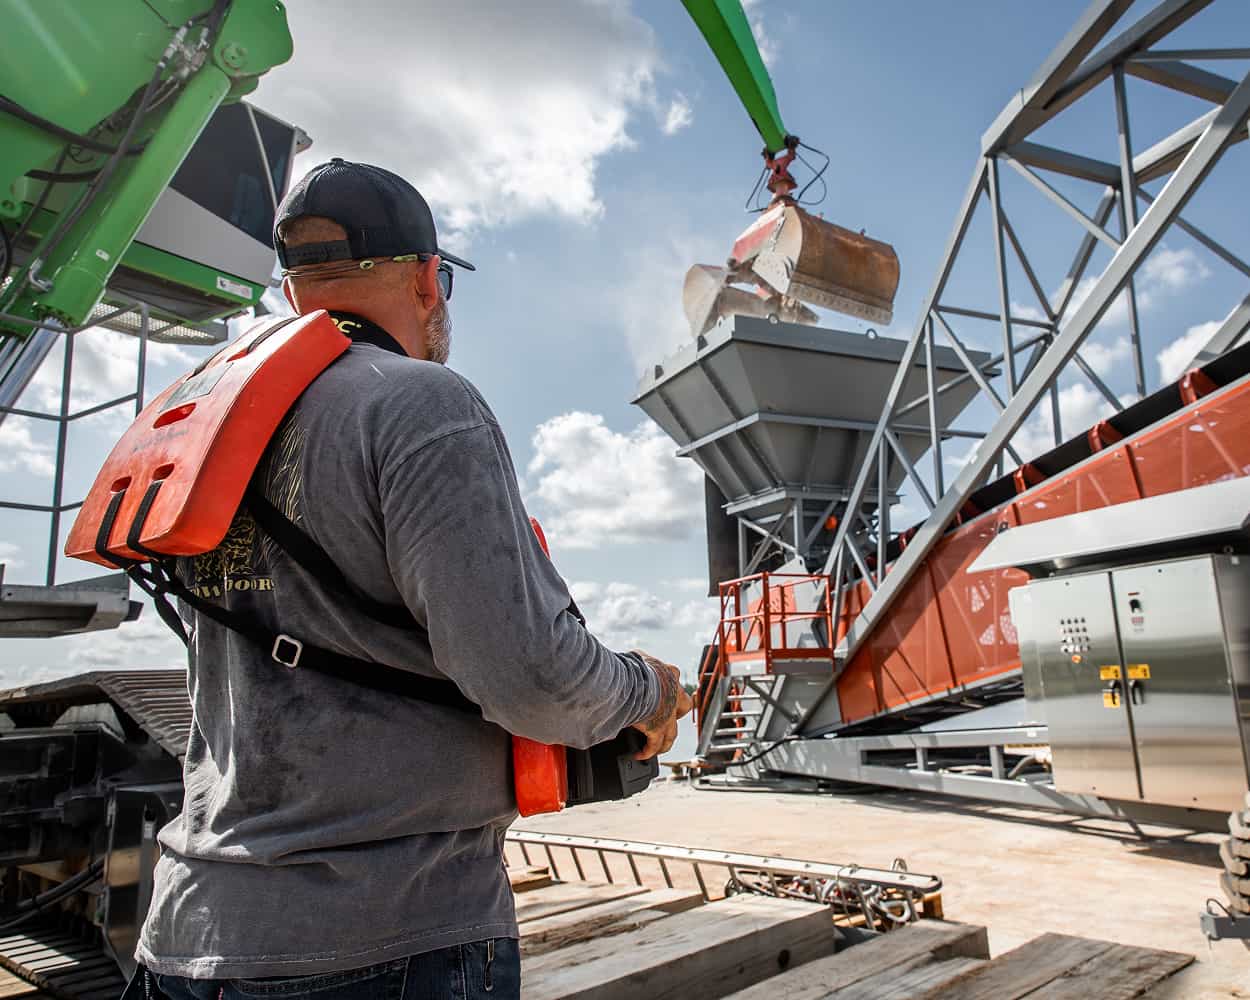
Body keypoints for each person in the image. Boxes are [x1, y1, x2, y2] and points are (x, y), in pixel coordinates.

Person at [131, 159, 692, 1000]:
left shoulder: (211, 425)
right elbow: (533, 677)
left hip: (188, 931)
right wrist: (648, 690)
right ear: (428, 280)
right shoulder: (422, 403)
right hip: (378, 943)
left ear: (293, 291)